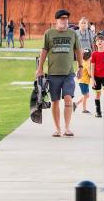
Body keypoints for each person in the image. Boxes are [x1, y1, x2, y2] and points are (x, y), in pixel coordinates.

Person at [35, 9, 82, 137]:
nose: (65, 21)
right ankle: (57, 129)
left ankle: (67, 128)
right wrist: (40, 69)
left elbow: (78, 51)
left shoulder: (72, 34)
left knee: (68, 99)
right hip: (53, 74)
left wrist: (81, 67)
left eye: (66, 18)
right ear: (57, 20)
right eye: (62, 19)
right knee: (55, 101)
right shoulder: (49, 33)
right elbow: (44, 51)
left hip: (68, 74)